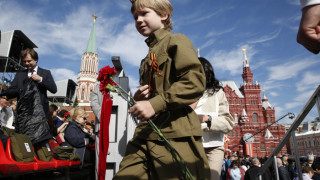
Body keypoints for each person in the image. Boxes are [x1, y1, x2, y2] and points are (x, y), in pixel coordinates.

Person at [113, 0, 209, 179]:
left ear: (163, 14)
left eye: (144, 14)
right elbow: (151, 97)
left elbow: (194, 82)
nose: (138, 20)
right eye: (135, 17)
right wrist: (139, 98)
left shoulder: (176, 40)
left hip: (174, 133)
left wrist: (156, 103)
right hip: (145, 135)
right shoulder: (146, 59)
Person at [1, 48, 57, 146]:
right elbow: (12, 90)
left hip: (40, 115)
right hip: (24, 114)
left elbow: (53, 89)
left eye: (29, 61)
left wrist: (41, 80)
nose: (27, 63)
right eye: (25, 61)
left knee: (39, 142)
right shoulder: (20, 74)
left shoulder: (45, 73)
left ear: (36, 60)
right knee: (24, 142)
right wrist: (8, 95)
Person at [193, 57, 234, 180]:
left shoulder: (217, 93)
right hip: (190, 144)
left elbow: (228, 123)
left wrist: (207, 118)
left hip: (213, 147)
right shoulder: (183, 92)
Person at [90, 84, 103, 180]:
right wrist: (103, 115)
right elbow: (94, 103)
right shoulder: (98, 87)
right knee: (100, 160)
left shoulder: (121, 85)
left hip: (118, 127)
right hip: (101, 127)